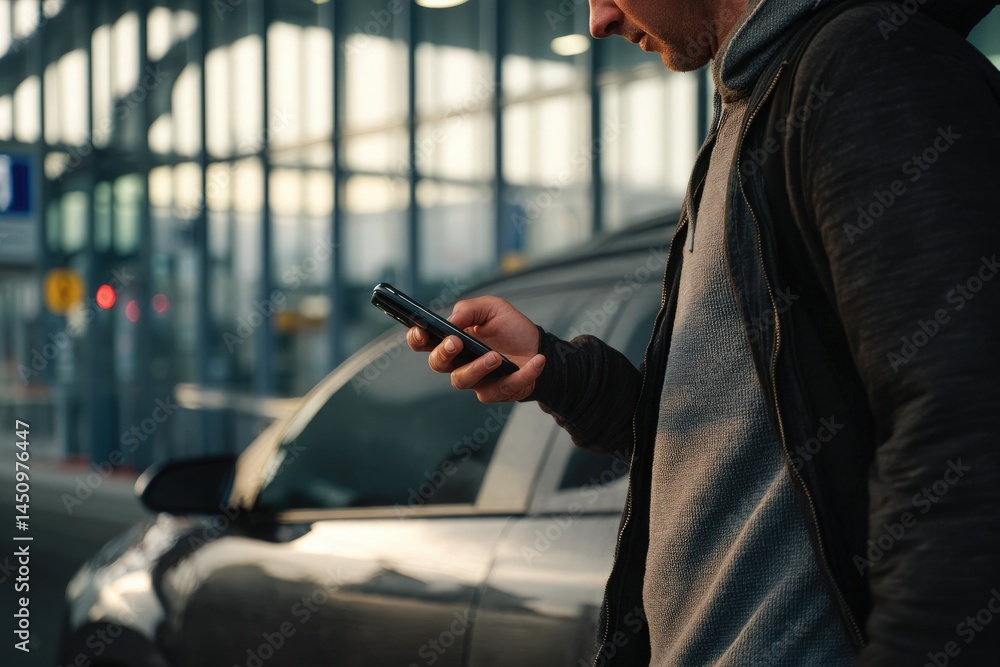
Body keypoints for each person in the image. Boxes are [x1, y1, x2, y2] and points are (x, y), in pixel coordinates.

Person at [408, 0, 1000, 664]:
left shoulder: (870, 69)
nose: (598, 20)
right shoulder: (749, 118)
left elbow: (966, 424)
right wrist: (560, 373)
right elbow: (743, 440)